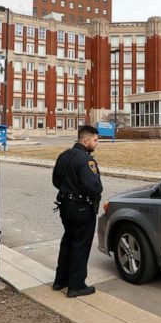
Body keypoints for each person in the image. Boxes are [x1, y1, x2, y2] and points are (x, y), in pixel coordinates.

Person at [52, 125, 103, 298]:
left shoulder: (64, 155)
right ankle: (76, 285)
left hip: (65, 205)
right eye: (95, 140)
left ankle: (60, 280)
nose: (97, 144)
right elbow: (94, 186)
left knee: (68, 241)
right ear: (85, 140)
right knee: (81, 244)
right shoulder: (85, 160)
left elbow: (56, 181)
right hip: (82, 208)